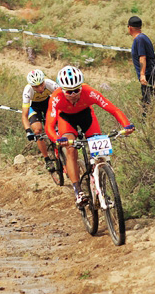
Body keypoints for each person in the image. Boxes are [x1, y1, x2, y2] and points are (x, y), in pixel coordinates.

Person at [45, 66, 134, 207]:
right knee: (71, 149)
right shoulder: (56, 98)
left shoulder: (89, 92)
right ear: (62, 89)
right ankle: (78, 192)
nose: (73, 94)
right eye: (69, 91)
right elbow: (49, 125)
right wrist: (57, 139)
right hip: (66, 120)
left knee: (100, 151)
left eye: (77, 90)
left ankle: (102, 185)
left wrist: (126, 125)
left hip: (86, 116)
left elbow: (113, 109)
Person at [21, 68, 60, 171]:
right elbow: (24, 115)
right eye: (36, 86)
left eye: (41, 84)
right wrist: (28, 131)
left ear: (44, 81)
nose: (40, 88)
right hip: (34, 107)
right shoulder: (27, 91)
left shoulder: (50, 84)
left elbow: (62, 99)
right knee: (37, 130)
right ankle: (47, 159)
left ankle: (60, 150)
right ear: (31, 86)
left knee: (55, 125)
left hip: (47, 104)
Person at [127, 16, 155, 112]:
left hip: (149, 75)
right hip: (153, 74)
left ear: (129, 28)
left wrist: (142, 75)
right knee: (153, 102)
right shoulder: (143, 37)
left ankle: (149, 124)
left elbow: (142, 57)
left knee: (147, 105)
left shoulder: (139, 39)